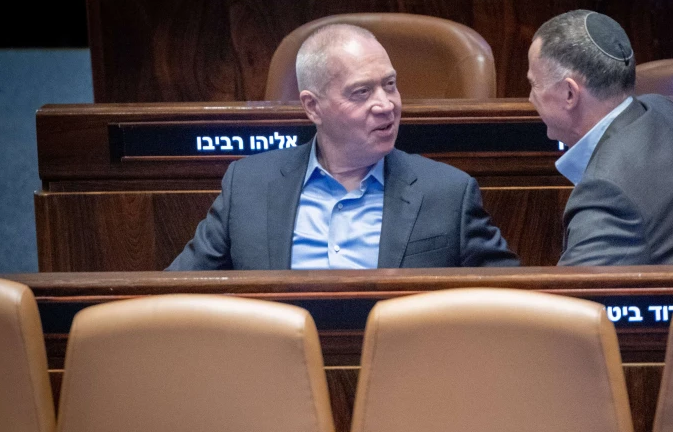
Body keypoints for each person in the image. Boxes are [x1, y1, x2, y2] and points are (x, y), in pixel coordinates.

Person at [168, 24, 518, 270]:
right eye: (361, 92)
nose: (386, 105)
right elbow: (179, 294)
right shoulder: (248, 186)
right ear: (312, 107)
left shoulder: (449, 193)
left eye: (390, 85)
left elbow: (512, 299)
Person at [527, 10, 673, 266]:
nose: (530, 98)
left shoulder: (605, 191)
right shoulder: (664, 110)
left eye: (534, 85)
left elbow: (575, 291)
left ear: (569, 93)